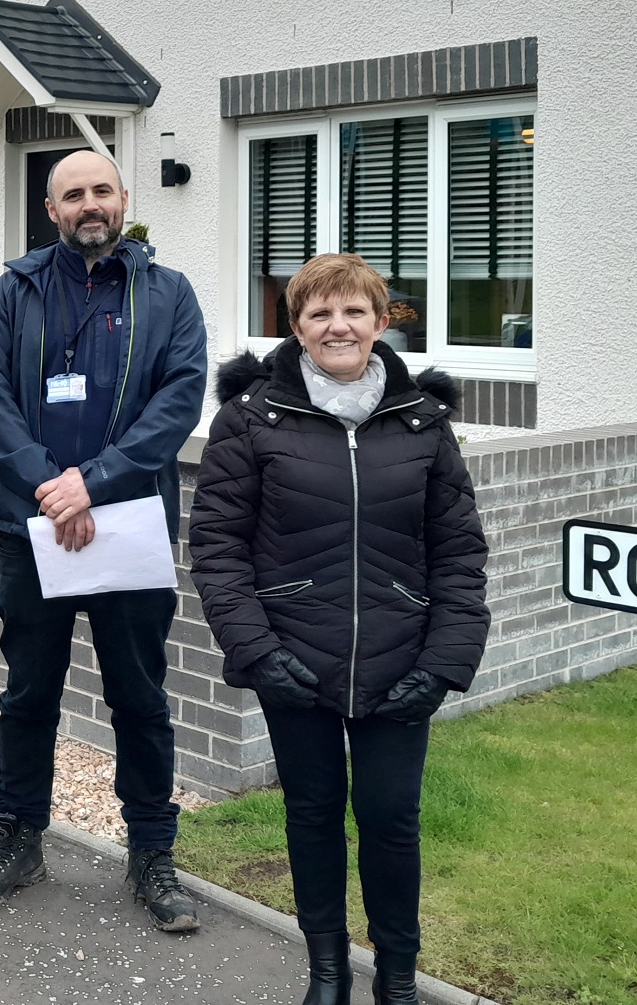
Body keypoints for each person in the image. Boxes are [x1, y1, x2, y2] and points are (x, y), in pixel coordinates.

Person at [187, 252, 490, 1005]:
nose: (338, 326)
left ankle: (395, 979)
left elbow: (458, 552)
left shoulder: (421, 422)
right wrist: (255, 651)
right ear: (295, 327)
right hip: (294, 660)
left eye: (354, 311)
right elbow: (217, 549)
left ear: (380, 322)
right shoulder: (250, 421)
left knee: (391, 821)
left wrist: (446, 660)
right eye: (319, 313)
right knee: (312, 814)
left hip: (400, 659)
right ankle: (326, 972)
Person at [0, 148, 207, 931]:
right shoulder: (15, 291)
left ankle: (151, 853)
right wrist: (49, 487)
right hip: (31, 525)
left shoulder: (167, 294)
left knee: (138, 697)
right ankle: (19, 836)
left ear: (123, 198)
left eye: (101, 189)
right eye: (73, 194)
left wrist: (91, 482)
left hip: (126, 526)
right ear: (51, 208)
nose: (89, 203)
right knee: (28, 693)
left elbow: (178, 401)